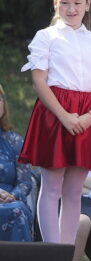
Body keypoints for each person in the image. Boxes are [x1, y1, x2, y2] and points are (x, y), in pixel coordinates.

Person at [19, 0, 91, 261]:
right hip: (55, 115)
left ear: (87, 5)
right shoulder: (46, 37)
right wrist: (63, 115)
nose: (71, 9)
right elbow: (39, 80)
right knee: (52, 186)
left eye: (77, 3)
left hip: (87, 118)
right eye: (65, 3)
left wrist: (89, 117)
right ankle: (52, 258)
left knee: (75, 189)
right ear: (55, 3)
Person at [0, 83, 34, 242]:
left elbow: (25, 182)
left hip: (10, 201)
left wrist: (12, 195)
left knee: (17, 211)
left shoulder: (15, 141)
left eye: (0, 98)